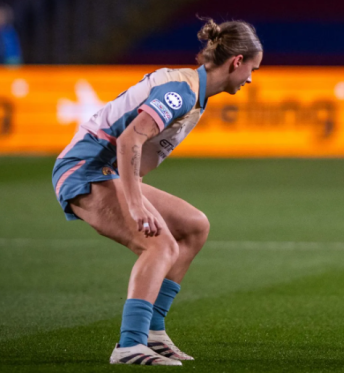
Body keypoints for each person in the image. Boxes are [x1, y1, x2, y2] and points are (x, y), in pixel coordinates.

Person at [51, 19, 262, 366]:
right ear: (237, 61)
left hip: (106, 171)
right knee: (160, 245)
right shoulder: (181, 92)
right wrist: (135, 205)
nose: (251, 78)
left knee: (194, 226)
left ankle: (152, 331)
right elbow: (128, 140)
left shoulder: (195, 94)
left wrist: (133, 194)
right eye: (252, 69)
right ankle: (129, 344)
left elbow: (140, 158)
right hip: (84, 169)